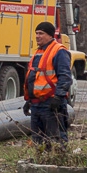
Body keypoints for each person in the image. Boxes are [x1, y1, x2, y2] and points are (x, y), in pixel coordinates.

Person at [23, 21, 72, 149]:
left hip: (51, 103)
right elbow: (34, 78)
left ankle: (59, 164)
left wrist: (58, 98)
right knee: (38, 141)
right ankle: (41, 165)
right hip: (37, 104)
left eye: (41, 33)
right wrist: (29, 100)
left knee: (56, 141)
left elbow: (65, 77)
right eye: (36, 33)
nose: (38, 36)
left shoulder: (59, 51)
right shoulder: (39, 52)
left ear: (50, 35)